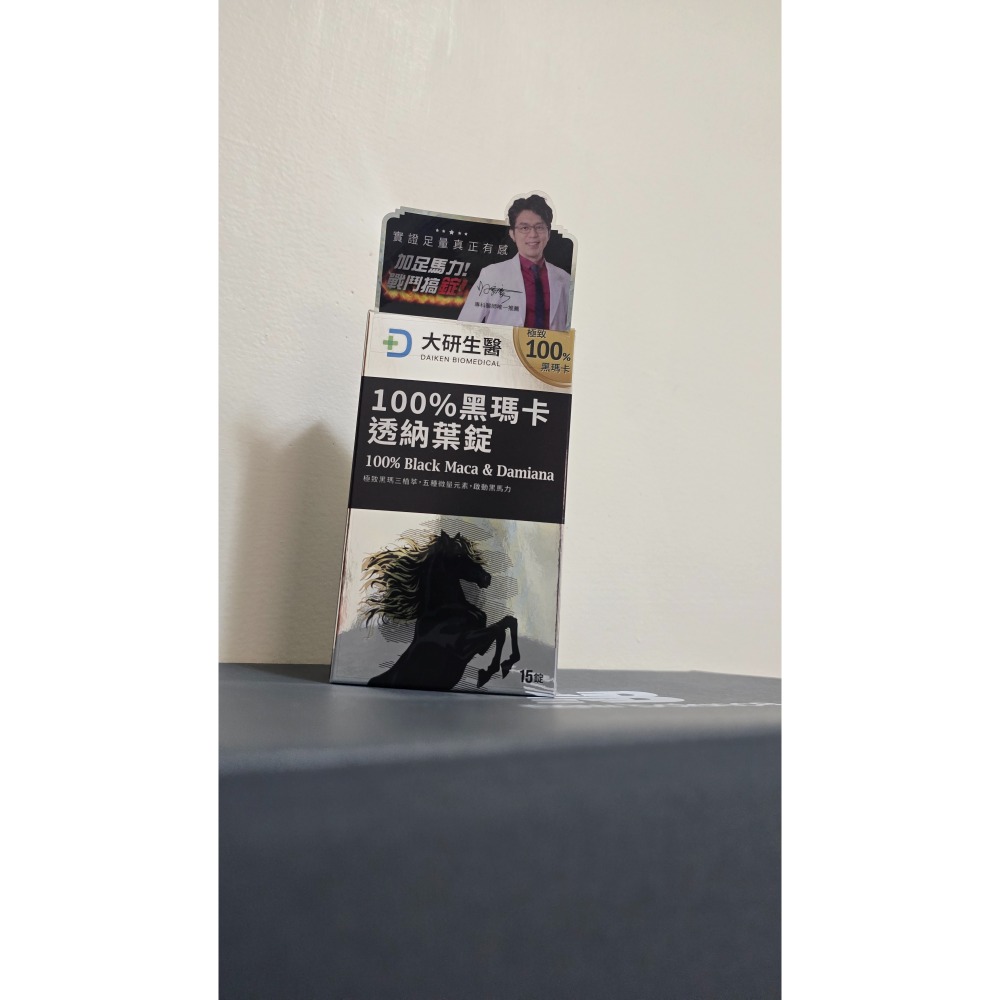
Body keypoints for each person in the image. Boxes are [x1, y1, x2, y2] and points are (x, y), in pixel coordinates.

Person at [458, 194, 572, 331]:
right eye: (524, 228)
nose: (533, 234)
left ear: (548, 233)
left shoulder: (565, 279)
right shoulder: (491, 274)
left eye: (539, 227)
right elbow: (464, 326)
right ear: (512, 234)